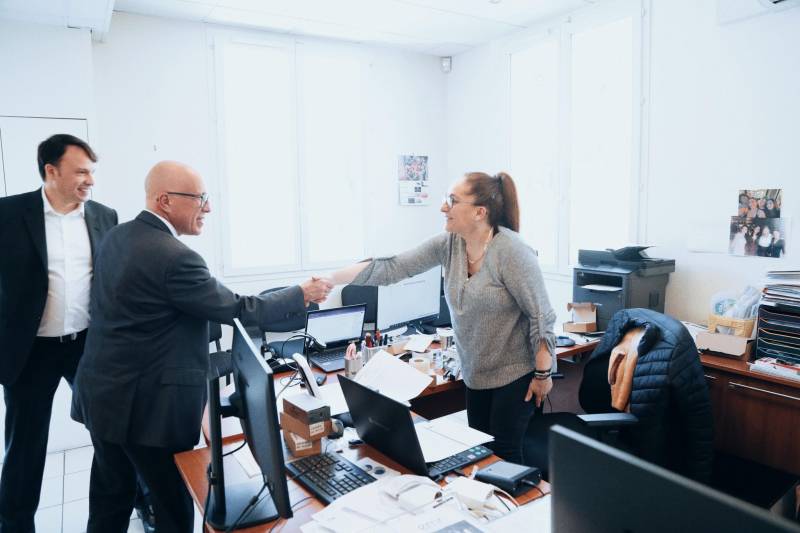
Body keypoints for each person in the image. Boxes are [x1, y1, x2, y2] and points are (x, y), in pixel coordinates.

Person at [70, 161, 333, 533]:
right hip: (145, 410)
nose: (207, 207)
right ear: (165, 200)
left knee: (110, 500)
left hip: (102, 396)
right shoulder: (175, 257)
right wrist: (301, 293)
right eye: (199, 198)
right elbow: (238, 309)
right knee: (173, 510)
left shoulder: (117, 236)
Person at [327, 172, 556, 464]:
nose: (443, 207)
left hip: (516, 374)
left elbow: (541, 316)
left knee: (504, 456)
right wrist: (330, 280)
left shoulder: (512, 251)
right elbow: (394, 267)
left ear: (479, 212)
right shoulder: (450, 244)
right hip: (475, 374)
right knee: (481, 453)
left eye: (452, 200)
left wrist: (543, 375)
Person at [0, 135, 118, 532]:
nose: (91, 181)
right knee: (24, 446)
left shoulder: (104, 216)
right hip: (29, 352)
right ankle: (15, 524)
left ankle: (128, 508)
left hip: (86, 348)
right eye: (81, 172)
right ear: (51, 171)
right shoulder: (7, 214)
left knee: (112, 436)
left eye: (92, 171)